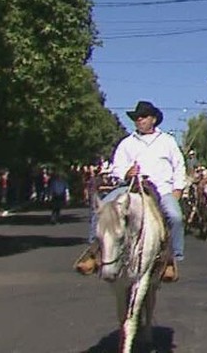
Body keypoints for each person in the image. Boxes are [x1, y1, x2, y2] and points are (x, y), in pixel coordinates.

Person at [73, 100, 186, 282]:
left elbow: (179, 166)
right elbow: (117, 168)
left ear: (154, 119)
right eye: (137, 118)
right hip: (130, 187)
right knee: (101, 210)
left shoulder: (168, 142)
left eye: (143, 117)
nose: (139, 120)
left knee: (175, 217)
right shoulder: (127, 143)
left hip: (161, 188)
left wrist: (178, 189)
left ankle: (172, 260)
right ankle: (93, 253)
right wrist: (126, 172)